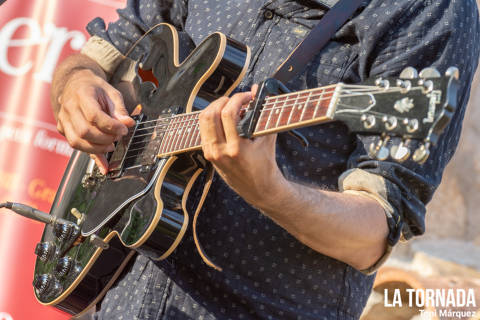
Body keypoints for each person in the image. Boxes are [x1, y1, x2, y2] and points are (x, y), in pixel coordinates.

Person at [51, 0, 480, 319]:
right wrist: (75, 84)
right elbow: (106, 52)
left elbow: (376, 231)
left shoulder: (431, 9)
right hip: (122, 301)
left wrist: (273, 193)